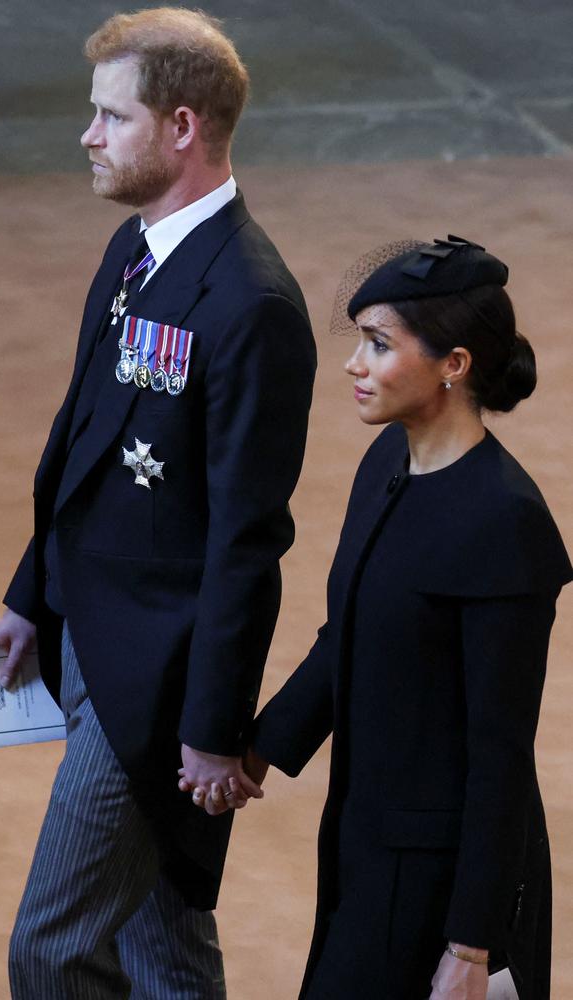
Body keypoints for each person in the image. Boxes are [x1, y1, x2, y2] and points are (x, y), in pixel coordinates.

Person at [0, 8, 316, 998]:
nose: (87, 135)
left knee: (49, 950)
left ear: (179, 127)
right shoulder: (135, 254)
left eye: (108, 116)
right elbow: (78, 444)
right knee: (154, 940)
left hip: (156, 687)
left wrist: (213, 725)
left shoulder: (249, 305)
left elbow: (246, 540)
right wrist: (29, 591)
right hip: (87, 635)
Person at [188, 236, 572, 998]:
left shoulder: (505, 524)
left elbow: (500, 756)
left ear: (453, 365)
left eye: (378, 345)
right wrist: (258, 751)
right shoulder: (387, 465)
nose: (353, 364)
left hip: (445, 886)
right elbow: (350, 640)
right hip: (368, 851)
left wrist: (471, 948)